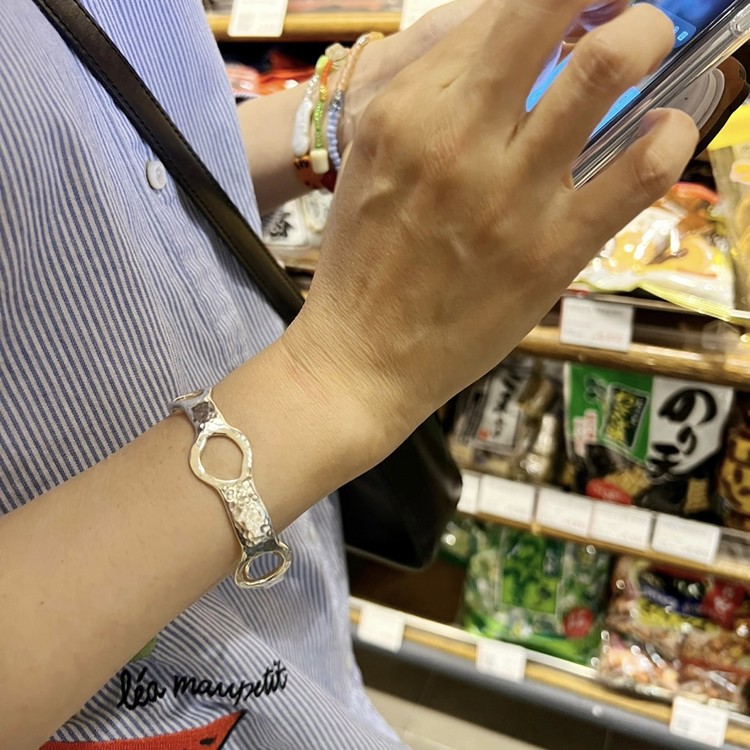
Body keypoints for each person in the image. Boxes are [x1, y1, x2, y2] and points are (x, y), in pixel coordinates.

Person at [0, 0, 698, 747]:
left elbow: (99, 172)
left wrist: (335, 116)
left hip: (292, 625)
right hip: (148, 704)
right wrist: (340, 374)